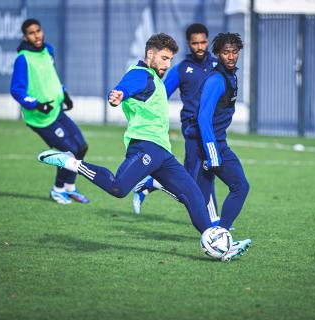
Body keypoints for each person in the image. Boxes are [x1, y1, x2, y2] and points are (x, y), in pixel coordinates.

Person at [36, 33, 251, 261]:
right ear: (151, 54)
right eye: (164, 58)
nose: (168, 65)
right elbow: (125, 87)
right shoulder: (142, 75)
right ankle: (71, 162)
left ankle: (221, 246)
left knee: (193, 195)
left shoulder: (156, 79)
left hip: (162, 153)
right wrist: (118, 94)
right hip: (145, 147)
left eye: (170, 60)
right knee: (118, 188)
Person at [132, 23, 220, 226]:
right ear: (189, 44)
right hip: (192, 129)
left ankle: (150, 183)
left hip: (212, 130)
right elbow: (159, 93)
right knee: (195, 181)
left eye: (203, 42)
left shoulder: (217, 66)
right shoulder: (182, 69)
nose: (200, 46)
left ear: (208, 41)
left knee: (197, 177)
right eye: (195, 43)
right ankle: (214, 222)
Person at [10, 18, 90, 205]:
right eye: (31, 32)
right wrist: (36, 104)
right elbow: (17, 90)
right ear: (25, 36)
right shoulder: (23, 59)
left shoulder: (48, 50)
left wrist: (64, 94)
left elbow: (50, 77)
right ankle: (57, 190)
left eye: (38, 30)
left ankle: (70, 188)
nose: (36, 35)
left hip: (56, 111)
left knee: (82, 147)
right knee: (69, 151)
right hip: (40, 117)